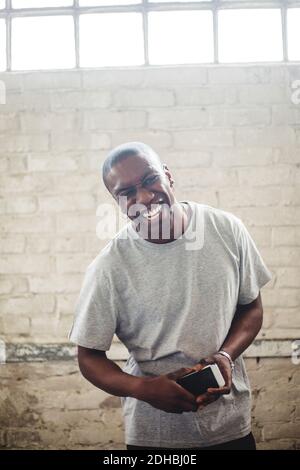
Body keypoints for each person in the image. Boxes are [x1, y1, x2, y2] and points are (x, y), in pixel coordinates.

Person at [68, 141, 272, 450]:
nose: (145, 197)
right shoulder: (109, 266)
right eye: (127, 193)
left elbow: (251, 309)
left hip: (230, 426)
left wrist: (225, 355)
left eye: (150, 179)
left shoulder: (227, 229)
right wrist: (143, 389)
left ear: (168, 176)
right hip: (155, 436)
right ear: (117, 202)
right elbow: (88, 357)